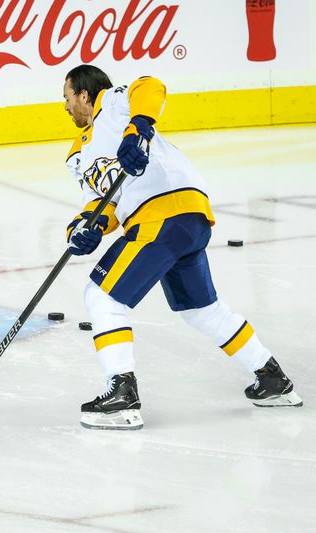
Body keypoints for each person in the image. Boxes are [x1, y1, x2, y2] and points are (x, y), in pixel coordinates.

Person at [61, 64, 302, 431]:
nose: (65, 107)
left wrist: (137, 127)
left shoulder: (112, 104)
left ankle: (123, 395)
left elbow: (150, 85)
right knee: (202, 310)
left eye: (67, 98)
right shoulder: (78, 155)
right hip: (183, 223)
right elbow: (102, 204)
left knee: (102, 296)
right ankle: (272, 379)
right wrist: (84, 229)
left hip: (164, 214)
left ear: (83, 94)